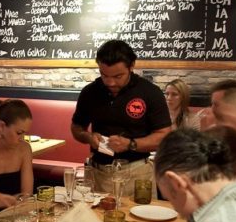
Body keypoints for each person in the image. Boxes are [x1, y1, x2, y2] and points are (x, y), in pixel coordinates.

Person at [71, 40, 171, 196]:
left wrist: (130, 144)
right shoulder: (90, 92)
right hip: (97, 173)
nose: (110, 82)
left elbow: (164, 136)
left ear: (131, 67)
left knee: (140, 219)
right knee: (96, 220)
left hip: (138, 173)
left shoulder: (150, 92)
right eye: (104, 75)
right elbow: (76, 127)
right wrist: (88, 137)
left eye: (118, 76)